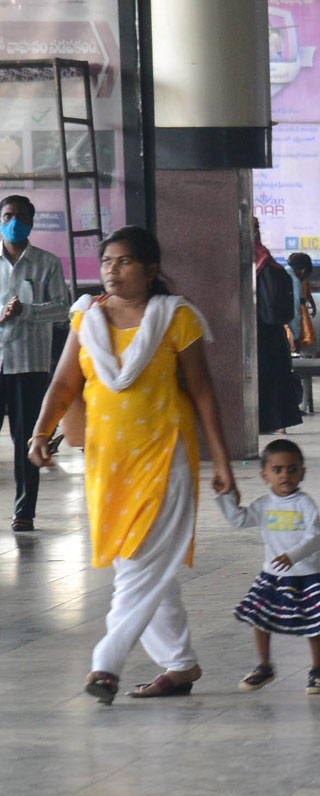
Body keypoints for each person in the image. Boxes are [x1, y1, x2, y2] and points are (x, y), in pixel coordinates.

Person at [27, 225, 235, 703]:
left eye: (123, 262)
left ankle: (106, 664)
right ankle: (180, 665)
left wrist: (221, 461)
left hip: (165, 461)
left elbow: (203, 393)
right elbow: (63, 385)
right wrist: (40, 432)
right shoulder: (88, 320)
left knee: (142, 564)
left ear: (151, 270)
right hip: (108, 466)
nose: (111, 271)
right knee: (137, 565)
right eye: (106, 262)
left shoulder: (174, 317)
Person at [218, 438, 320, 695]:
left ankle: (317, 669)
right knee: (260, 617)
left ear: (302, 473)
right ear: (265, 475)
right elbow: (240, 520)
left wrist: (293, 556)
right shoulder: (263, 505)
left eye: (292, 469)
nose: (285, 475)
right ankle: (264, 666)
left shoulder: (305, 503)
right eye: (277, 470)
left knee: (313, 623)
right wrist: (224, 496)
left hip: (308, 575)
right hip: (274, 576)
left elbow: (315, 536)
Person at [0, 194, 68, 531]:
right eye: (8, 215)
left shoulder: (47, 263)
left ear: (31, 222)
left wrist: (27, 311)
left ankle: (24, 512)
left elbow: (62, 308)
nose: (14, 222)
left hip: (29, 364)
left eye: (21, 216)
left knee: (28, 439)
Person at [254, 219, 303, 434]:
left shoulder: (251, 260)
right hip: (272, 332)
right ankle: (279, 424)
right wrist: (294, 332)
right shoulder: (267, 259)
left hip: (256, 331)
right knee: (276, 376)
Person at [285, 251, 315, 350]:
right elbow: (293, 310)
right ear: (303, 271)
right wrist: (295, 337)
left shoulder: (281, 272)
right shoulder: (294, 280)